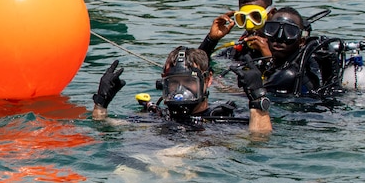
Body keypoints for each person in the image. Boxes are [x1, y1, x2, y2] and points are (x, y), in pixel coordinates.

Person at [91, 47, 271, 132]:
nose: (180, 89)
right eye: (173, 82)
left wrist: (257, 99)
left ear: (207, 80)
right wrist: (101, 104)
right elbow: (104, 126)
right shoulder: (156, 115)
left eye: (188, 81)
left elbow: (260, 139)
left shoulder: (225, 116)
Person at [198, 0, 274, 57]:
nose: (249, 26)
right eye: (243, 18)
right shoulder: (238, 52)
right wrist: (211, 39)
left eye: (256, 17)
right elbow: (196, 63)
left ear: (272, 14)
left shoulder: (283, 49)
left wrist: (268, 57)